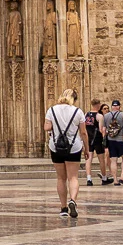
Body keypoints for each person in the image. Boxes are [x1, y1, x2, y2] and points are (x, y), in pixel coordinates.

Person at [44, 89, 86, 219]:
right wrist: (87, 148)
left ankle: (63, 207)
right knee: (73, 177)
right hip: (74, 147)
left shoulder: (51, 110)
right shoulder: (78, 111)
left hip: (56, 146)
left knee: (61, 178)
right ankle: (73, 200)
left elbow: (46, 127)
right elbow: (83, 132)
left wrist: (57, 126)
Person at [104, 100, 123, 185]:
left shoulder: (106, 116)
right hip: (122, 139)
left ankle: (115, 179)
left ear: (112, 106)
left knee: (113, 160)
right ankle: (122, 176)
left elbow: (104, 129)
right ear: (119, 106)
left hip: (111, 140)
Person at [83, 100, 104, 187]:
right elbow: (101, 129)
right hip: (97, 139)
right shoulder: (99, 116)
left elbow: (84, 127)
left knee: (89, 159)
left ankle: (89, 178)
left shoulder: (86, 114)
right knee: (101, 159)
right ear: (98, 105)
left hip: (89, 138)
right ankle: (104, 177)